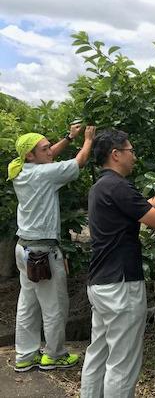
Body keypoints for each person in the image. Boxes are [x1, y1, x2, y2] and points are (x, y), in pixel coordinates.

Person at [80, 129, 155, 398]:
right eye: (131, 151)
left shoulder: (103, 186)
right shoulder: (118, 186)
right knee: (123, 363)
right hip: (121, 286)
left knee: (98, 352)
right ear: (116, 154)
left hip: (101, 283)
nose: (134, 156)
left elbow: (142, 207)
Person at [8, 123, 96, 372]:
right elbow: (79, 161)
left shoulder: (20, 169)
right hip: (42, 252)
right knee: (55, 305)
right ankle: (55, 354)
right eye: (45, 148)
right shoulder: (43, 175)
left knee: (28, 304)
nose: (50, 151)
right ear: (31, 155)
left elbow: (48, 156)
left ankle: (25, 356)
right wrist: (87, 139)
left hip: (24, 249)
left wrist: (69, 137)